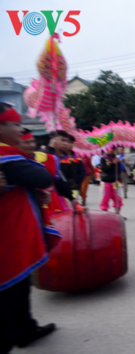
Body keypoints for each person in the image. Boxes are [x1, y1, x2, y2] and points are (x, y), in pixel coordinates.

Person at [0, 104, 57, 352]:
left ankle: (26, 329)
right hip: (8, 235)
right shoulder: (8, 158)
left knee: (20, 285)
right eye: (14, 125)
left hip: (13, 233)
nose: (19, 129)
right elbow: (43, 177)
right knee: (9, 295)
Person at [99, 148, 123, 213]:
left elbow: (118, 170)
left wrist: (118, 179)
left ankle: (117, 214)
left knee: (118, 199)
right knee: (105, 199)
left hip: (114, 182)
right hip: (105, 181)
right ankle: (105, 215)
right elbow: (104, 168)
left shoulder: (116, 159)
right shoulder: (103, 158)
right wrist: (112, 164)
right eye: (110, 149)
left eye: (113, 149)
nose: (111, 151)